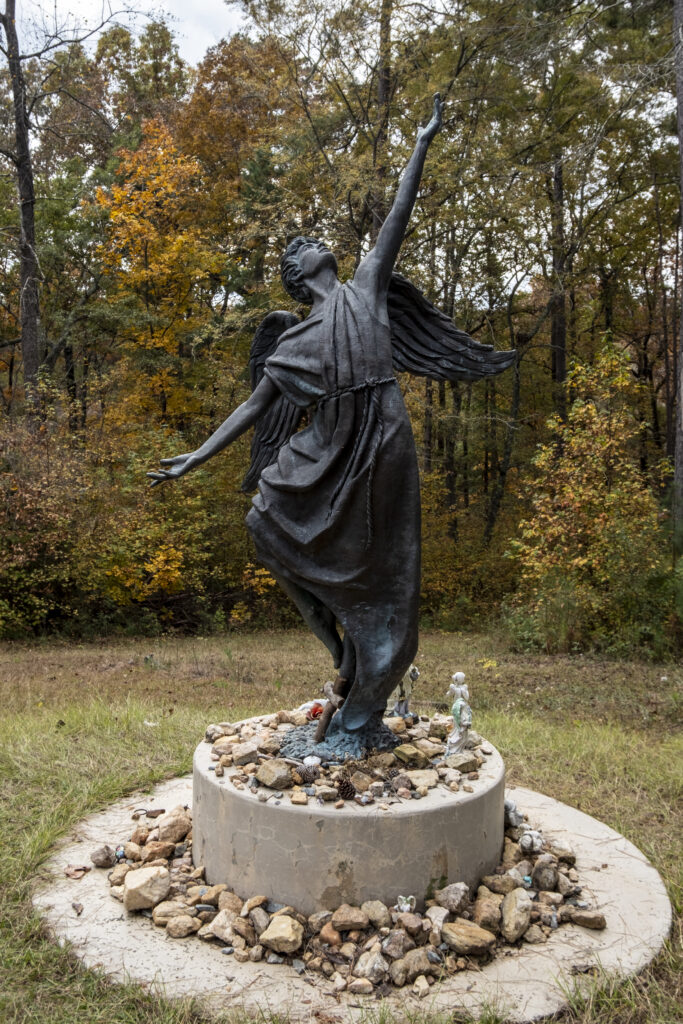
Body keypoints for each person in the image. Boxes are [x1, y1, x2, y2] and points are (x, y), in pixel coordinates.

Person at [149, 96, 514, 757]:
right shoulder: (291, 344)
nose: (317, 246)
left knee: (390, 568)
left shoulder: (366, 289)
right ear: (298, 276)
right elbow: (254, 408)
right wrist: (194, 458)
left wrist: (421, 142)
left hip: (382, 435)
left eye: (314, 242)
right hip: (329, 447)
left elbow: (398, 214)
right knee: (261, 522)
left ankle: (365, 694)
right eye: (304, 248)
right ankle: (341, 647)